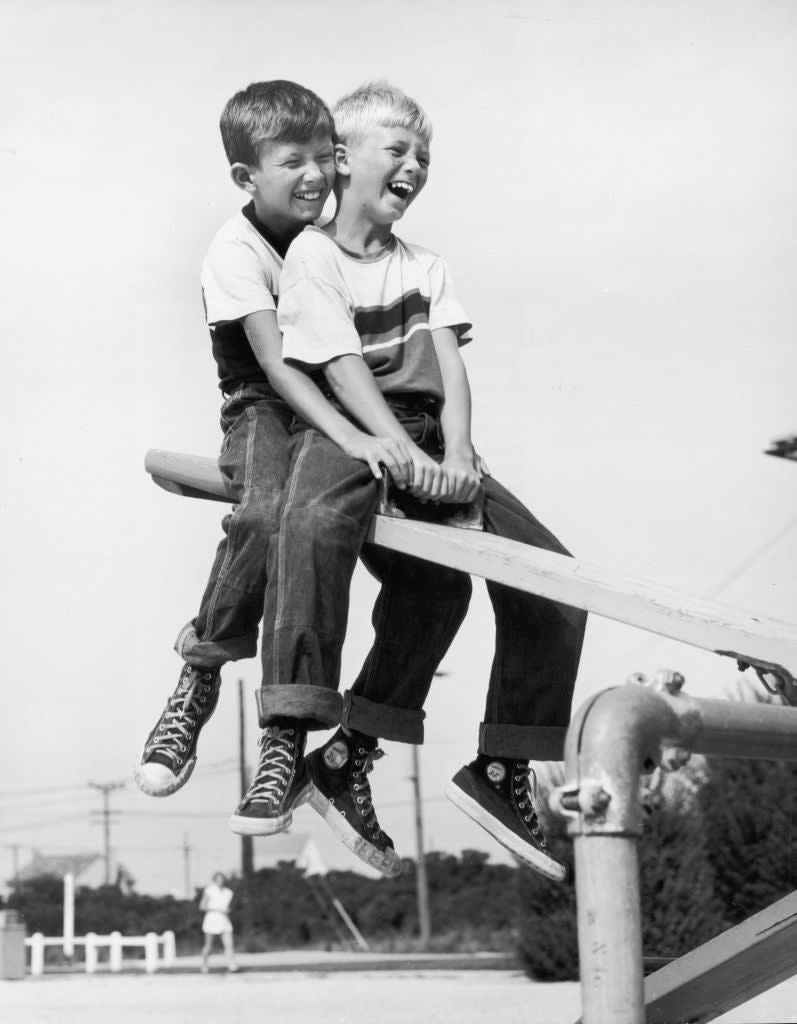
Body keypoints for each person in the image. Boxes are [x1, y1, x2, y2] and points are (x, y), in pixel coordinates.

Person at [133, 81, 471, 878]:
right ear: (247, 177)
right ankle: (202, 670)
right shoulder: (238, 249)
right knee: (262, 516)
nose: (316, 174)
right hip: (264, 403)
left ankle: (287, 735)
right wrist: (354, 434)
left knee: (323, 535)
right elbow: (280, 366)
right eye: (295, 162)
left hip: (326, 404)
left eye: (325, 157)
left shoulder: (326, 235)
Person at [271, 82, 588, 882]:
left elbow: (449, 363)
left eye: (424, 157)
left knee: (555, 585)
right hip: (351, 431)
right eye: (397, 151)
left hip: (434, 439)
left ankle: (499, 764)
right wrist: (388, 443)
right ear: (342, 160)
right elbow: (340, 365)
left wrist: (457, 452)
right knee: (430, 595)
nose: (413, 166)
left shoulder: (424, 265)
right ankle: (339, 753)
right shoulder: (311, 255)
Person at [199, 872, 238, 973]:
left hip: (224, 920)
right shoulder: (209, 891)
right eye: (218, 879)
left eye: (222, 879)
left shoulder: (228, 892)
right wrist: (219, 910)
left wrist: (228, 910)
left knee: (229, 945)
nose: (220, 881)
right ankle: (204, 965)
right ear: (215, 880)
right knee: (208, 946)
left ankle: (231, 965)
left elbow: (230, 906)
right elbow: (202, 906)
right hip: (212, 920)